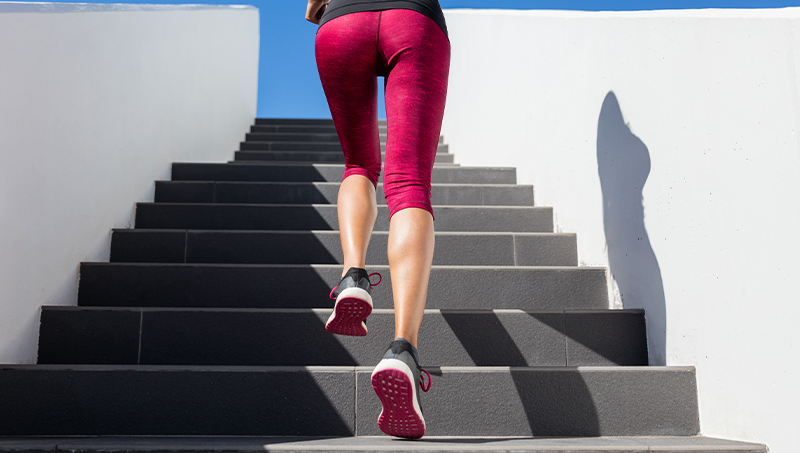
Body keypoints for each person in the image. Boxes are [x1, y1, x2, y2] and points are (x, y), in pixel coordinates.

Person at [305, 0, 450, 439]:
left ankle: (353, 275)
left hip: (343, 22)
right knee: (408, 185)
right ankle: (403, 348)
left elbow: (313, 5)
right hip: (413, 18)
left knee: (358, 165)